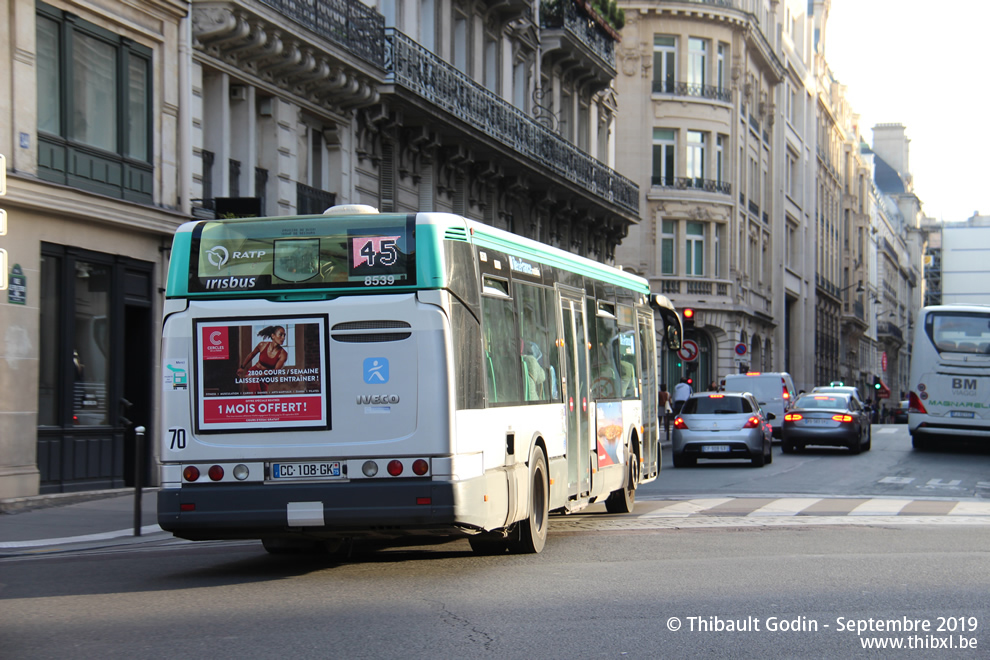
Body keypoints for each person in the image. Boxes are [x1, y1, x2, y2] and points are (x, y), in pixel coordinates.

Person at [237, 325, 288, 393]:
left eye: (284, 335)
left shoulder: (283, 354)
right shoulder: (262, 345)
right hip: (254, 372)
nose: (283, 338)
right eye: (281, 335)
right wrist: (242, 367)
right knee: (257, 396)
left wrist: (258, 375)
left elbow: (275, 371)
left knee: (262, 397)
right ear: (273, 336)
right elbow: (252, 355)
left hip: (265, 377)